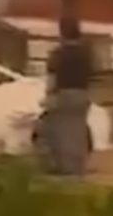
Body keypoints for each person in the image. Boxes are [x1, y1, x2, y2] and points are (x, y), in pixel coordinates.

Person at [43, 15, 94, 176]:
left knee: (60, 129)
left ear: (62, 32)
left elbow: (52, 77)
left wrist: (48, 95)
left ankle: (65, 166)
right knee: (78, 130)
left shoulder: (58, 53)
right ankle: (79, 167)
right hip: (82, 94)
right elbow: (93, 75)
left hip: (63, 94)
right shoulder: (86, 53)